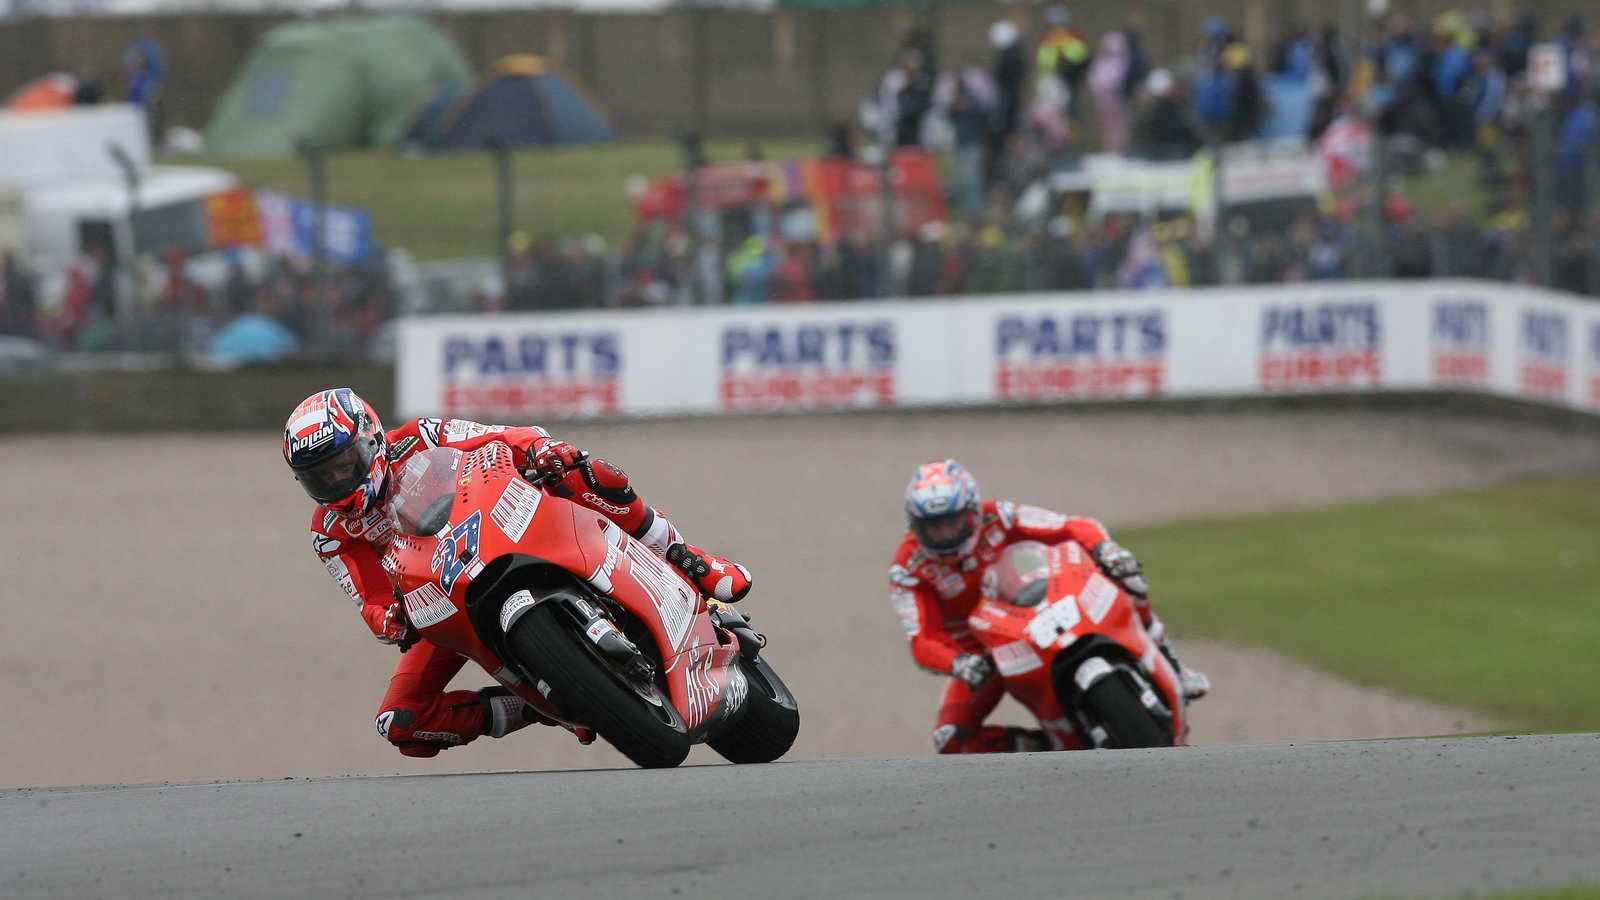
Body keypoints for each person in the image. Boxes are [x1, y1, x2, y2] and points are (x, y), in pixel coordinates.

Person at [283, 387, 751, 759]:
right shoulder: (331, 531)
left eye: (344, 464)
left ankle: (684, 557)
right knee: (401, 722)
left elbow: (501, 437)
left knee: (587, 472)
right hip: (439, 595)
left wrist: (544, 450)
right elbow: (369, 595)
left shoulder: (422, 435)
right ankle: (530, 703)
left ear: (371, 439)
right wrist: (389, 620)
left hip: (501, 525)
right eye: (320, 476)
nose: (337, 481)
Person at [887, 459, 1208, 754]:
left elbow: (1071, 526)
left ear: (970, 511)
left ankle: (1175, 666)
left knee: (1127, 578)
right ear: (914, 524)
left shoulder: (1000, 515)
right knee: (949, 738)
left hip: (1036, 607)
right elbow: (922, 640)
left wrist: (1106, 550)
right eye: (933, 526)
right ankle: (1043, 753)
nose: (944, 534)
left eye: (952, 522)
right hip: (983, 653)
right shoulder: (907, 569)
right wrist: (960, 664)